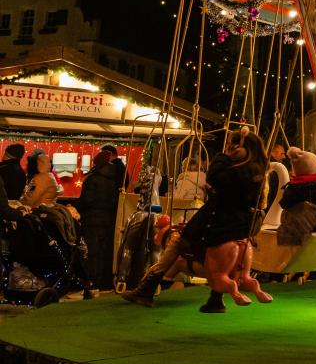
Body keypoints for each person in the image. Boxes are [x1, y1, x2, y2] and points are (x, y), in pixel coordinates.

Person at [123, 129, 268, 309]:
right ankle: (215, 300)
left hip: (219, 222)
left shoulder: (235, 169)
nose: (229, 148)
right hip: (240, 227)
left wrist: (223, 157)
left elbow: (215, 177)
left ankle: (147, 287)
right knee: (222, 266)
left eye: (233, 145)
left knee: (178, 243)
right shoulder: (258, 172)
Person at [76, 150, 120, 291]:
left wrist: (78, 208)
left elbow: (86, 200)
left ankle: (89, 281)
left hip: (91, 220)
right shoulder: (111, 180)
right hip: (105, 221)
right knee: (101, 253)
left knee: (91, 253)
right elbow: (113, 201)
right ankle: (100, 282)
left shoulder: (92, 178)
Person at [171, 157, 207, 222]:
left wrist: (171, 194)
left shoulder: (185, 180)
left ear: (187, 167)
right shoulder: (204, 180)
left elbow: (177, 198)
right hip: (200, 214)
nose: (182, 167)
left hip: (185, 214)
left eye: (183, 165)